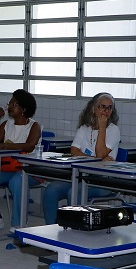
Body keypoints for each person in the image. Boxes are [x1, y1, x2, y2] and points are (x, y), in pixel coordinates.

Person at [42, 93, 121, 225]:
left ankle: (75, 228)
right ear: (93, 108)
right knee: (51, 190)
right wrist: (95, 159)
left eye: (109, 108)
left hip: (103, 181)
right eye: (102, 107)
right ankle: (50, 227)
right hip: (80, 176)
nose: (106, 111)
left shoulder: (113, 130)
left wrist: (102, 128)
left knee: (73, 192)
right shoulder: (84, 129)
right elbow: (74, 151)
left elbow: (100, 153)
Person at [0, 90, 41, 233]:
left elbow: (29, 146)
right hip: (8, 169)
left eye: (13, 104)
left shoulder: (34, 126)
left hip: (30, 170)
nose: (9, 106)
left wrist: (5, 146)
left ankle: (19, 223)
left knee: (17, 181)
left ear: (23, 109)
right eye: (9, 103)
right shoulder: (6, 124)